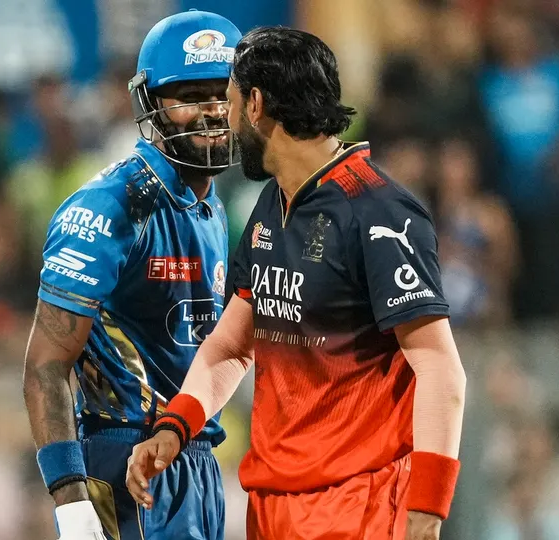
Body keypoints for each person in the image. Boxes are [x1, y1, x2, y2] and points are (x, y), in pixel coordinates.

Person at [125, 26, 467, 540]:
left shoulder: (378, 210)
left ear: (256, 104)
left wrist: (427, 508)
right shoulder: (271, 203)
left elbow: (440, 366)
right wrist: (175, 427)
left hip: (360, 507)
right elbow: (230, 348)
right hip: (272, 509)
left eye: (230, 102)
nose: (226, 121)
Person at [22, 10, 242, 540]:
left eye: (223, 94)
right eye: (190, 96)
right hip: (126, 466)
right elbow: (45, 367)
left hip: (196, 461)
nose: (212, 112)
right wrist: (71, 501)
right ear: (150, 104)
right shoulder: (110, 207)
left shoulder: (212, 206)